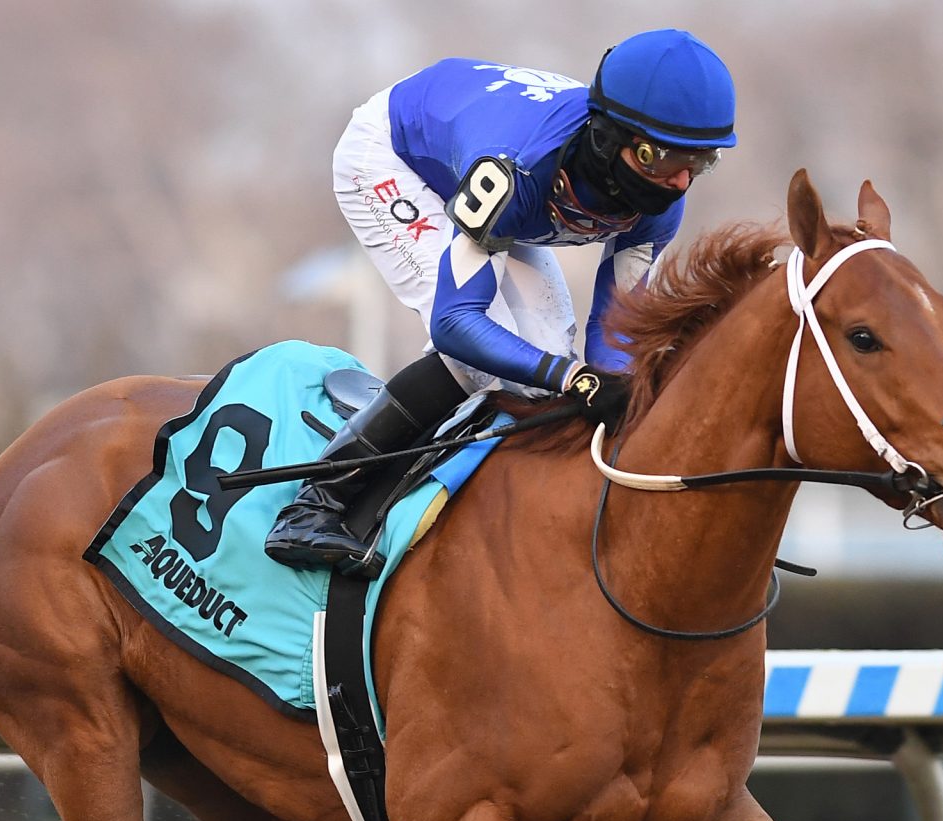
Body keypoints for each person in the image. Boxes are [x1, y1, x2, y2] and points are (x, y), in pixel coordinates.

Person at [265, 30, 737, 578]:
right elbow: (455, 322)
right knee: (491, 360)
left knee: (547, 362)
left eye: (699, 162)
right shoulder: (517, 169)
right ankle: (317, 500)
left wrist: (612, 387)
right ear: (608, 140)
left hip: (486, 166)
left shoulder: (662, 200)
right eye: (660, 159)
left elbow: (615, 329)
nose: (678, 183)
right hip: (396, 158)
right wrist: (572, 377)